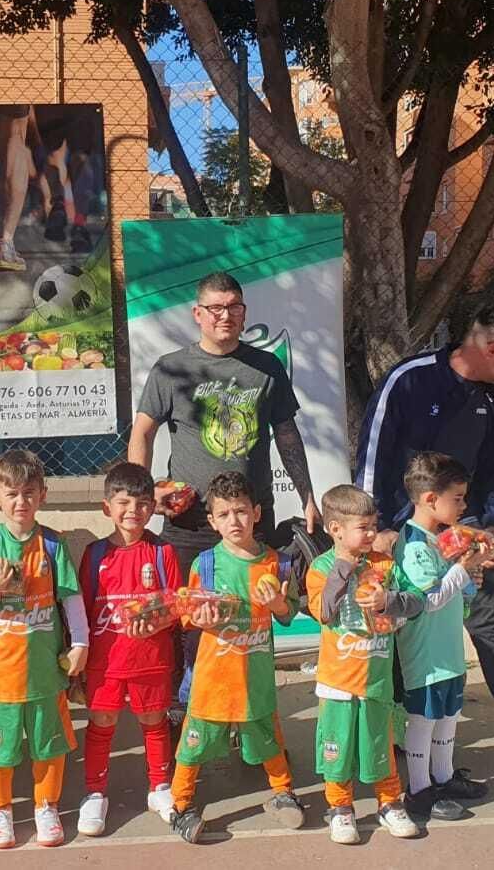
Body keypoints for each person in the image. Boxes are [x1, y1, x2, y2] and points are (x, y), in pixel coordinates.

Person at [355, 303, 494, 769]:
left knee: (489, 627)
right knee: (402, 633)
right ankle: (399, 747)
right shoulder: (410, 379)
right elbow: (374, 454)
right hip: (405, 539)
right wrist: (378, 527)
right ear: (490, 347)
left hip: (464, 542)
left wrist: (493, 526)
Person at [129, 271, 320, 714]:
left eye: (233, 307)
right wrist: (143, 494)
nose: (225, 316)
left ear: (244, 312)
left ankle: (250, 713)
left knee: (252, 616)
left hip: (248, 521)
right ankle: (184, 711)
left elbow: (287, 435)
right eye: (215, 308)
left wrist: (307, 495)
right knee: (186, 618)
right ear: (197, 314)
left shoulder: (265, 368)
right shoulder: (171, 368)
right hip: (189, 520)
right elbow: (143, 431)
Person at [168, 472, 307, 843]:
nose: (235, 521)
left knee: (268, 736)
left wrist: (277, 602)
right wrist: (199, 617)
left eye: (242, 511)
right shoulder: (206, 564)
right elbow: (187, 615)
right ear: (212, 521)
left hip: (255, 677)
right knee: (194, 744)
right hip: (213, 680)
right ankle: (179, 806)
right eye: (225, 514)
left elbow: (288, 612)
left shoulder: (277, 564)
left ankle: (283, 793)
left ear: (257, 513)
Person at [0, 450, 88, 849]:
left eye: (29, 492)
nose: (21, 501)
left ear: (43, 495)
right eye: (12, 493)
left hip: (45, 672)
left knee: (49, 743)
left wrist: (81, 643)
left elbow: (70, 599)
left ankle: (46, 806)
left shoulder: (52, 544)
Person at [303, 485, 424, 844]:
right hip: (338, 680)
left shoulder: (385, 564)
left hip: (376, 678)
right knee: (336, 746)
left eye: (374, 525)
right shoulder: (321, 568)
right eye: (364, 527)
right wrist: (344, 569)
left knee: (380, 742)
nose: (372, 533)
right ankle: (340, 807)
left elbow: (415, 603)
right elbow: (323, 613)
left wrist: (388, 600)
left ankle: (390, 802)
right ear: (335, 529)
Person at [75, 463, 182, 837]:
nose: (132, 511)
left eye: (141, 503)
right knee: (102, 724)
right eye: (123, 503)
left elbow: (176, 604)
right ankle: (94, 794)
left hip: (151, 660)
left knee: (154, 723)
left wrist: (158, 619)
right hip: (106, 663)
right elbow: (82, 612)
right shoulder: (94, 555)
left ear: (153, 508)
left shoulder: (161, 552)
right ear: (107, 507)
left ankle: (159, 787)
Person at [393, 452, 491, 822]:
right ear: (431, 499)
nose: (464, 505)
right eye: (459, 498)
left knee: (449, 714)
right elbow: (427, 601)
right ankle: (419, 790)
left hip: (447, 650)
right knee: (423, 720)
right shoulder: (414, 545)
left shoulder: (438, 538)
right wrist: (462, 570)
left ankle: (445, 776)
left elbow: (452, 591)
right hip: (425, 654)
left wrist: (468, 579)